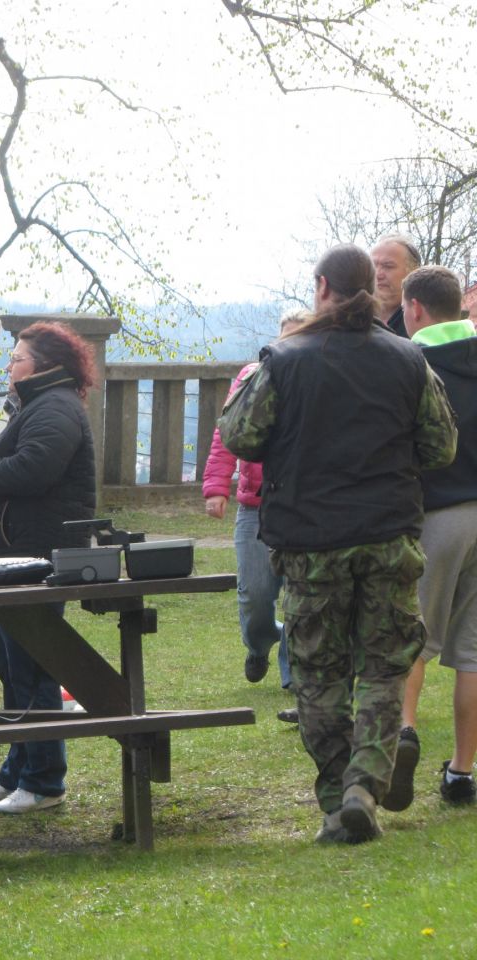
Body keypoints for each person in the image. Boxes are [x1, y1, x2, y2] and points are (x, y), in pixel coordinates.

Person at [219, 243, 457, 844]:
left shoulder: (284, 359)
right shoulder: (409, 359)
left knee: (318, 673)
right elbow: (442, 446)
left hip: (310, 540)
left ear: (322, 287)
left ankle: (337, 797)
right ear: (370, 290)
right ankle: (363, 787)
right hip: (388, 536)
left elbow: (240, 434)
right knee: (383, 667)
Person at [0, 322, 98, 814]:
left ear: (44, 365)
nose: (9, 365)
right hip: (14, 557)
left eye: (16, 358)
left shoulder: (55, 407)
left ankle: (44, 781)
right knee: (15, 672)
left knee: (33, 670)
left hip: (36, 557)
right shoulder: (38, 405)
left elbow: (34, 470)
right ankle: (17, 771)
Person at [387, 265, 477, 808]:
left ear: (414, 308)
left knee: (413, 634)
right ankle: (462, 773)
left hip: (437, 513)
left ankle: (404, 729)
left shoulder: (409, 364)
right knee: (473, 654)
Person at [202, 309, 304, 713]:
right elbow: (226, 434)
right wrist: (216, 488)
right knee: (256, 596)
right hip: (255, 507)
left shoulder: (319, 379)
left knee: (301, 594)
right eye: (286, 338)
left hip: (301, 507)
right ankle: (260, 643)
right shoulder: (252, 377)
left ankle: (293, 674)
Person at [371, 235, 421, 337]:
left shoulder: (423, 323)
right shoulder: (351, 320)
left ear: (413, 272)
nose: (378, 274)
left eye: (388, 266)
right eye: (373, 266)